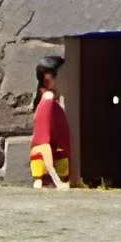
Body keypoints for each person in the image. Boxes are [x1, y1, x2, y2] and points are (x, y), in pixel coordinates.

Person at [29, 54, 76, 191]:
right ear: (48, 78)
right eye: (65, 76)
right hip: (48, 177)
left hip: (59, 172)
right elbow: (43, 145)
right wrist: (57, 182)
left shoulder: (56, 103)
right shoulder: (48, 101)